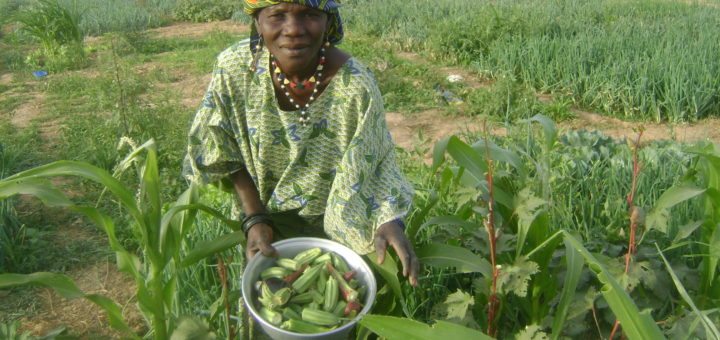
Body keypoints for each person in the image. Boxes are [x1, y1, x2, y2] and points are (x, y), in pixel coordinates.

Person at [184, 0, 418, 286]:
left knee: (338, 308)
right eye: (277, 15)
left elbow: (375, 161)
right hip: (262, 211)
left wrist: (387, 220)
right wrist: (255, 218)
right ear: (257, 22)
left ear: (328, 21)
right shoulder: (235, 69)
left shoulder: (355, 85)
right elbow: (220, 143)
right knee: (270, 307)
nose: (293, 30)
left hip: (338, 220)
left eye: (310, 15)